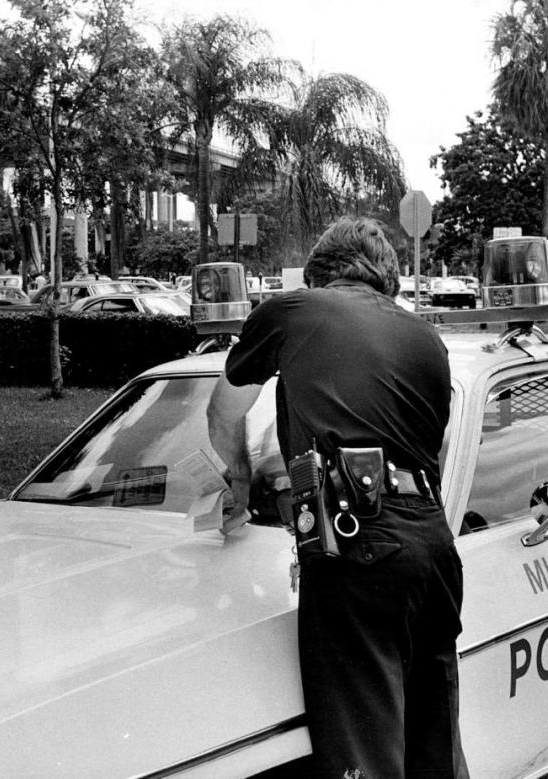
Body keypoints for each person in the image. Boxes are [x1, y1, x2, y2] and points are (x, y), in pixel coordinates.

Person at [206, 216, 467, 778]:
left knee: (364, 757)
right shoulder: (428, 338)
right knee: (436, 748)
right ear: (387, 280)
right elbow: (431, 456)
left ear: (319, 273)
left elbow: (223, 412)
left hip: (356, 546)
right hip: (432, 547)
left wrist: (238, 480)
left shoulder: (293, 311)